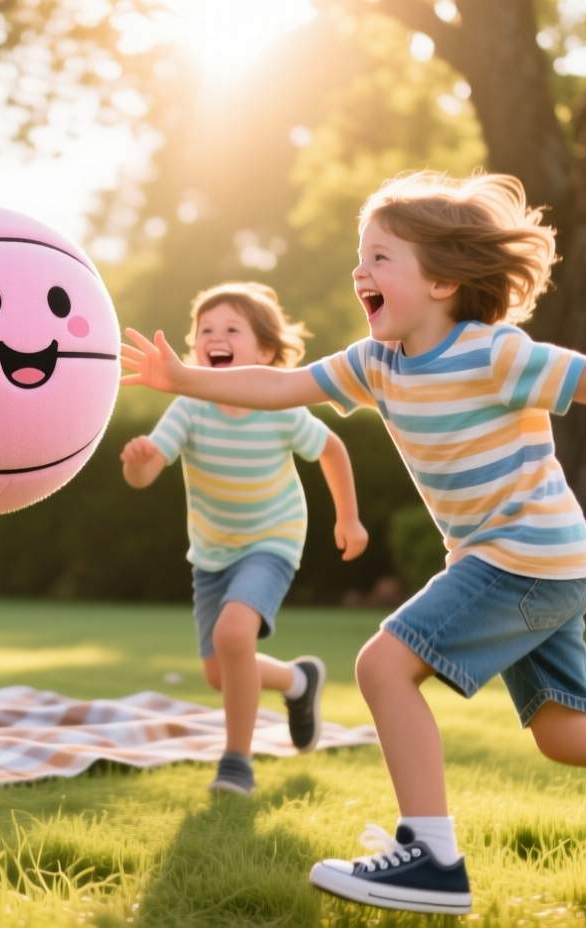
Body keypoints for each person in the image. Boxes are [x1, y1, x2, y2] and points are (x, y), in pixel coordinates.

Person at [120, 172, 586, 914]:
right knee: (568, 736)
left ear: (439, 280)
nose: (358, 272)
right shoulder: (378, 364)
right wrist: (183, 377)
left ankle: (431, 856)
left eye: (379, 259)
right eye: (360, 259)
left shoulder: (493, 352)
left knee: (382, 666)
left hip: (524, 558)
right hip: (540, 567)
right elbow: (282, 388)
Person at [120, 282, 368, 796]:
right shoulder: (189, 407)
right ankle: (300, 682)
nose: (216, 336)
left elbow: (333, 448)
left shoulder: (280, 408)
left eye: (231, 329)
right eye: (205, 331)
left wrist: (349, 518)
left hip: (272, 540)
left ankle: (236, 763)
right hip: (211, 553)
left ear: (266, 354)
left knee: (234, 638)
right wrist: (139, 465)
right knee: (221, 673)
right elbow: (145, 475)